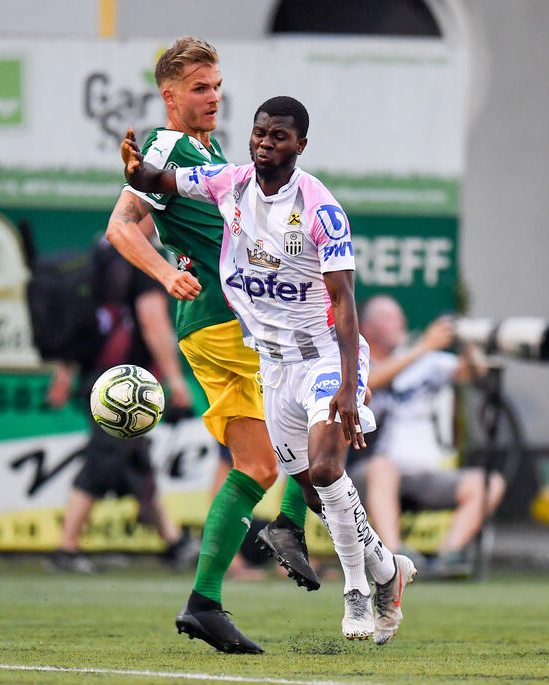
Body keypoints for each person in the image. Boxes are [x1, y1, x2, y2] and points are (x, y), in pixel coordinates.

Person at [121, 95, 418, 647]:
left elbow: (346, 300)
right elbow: (169, 181)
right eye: (259, 133)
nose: (264, 143)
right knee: (308, 487)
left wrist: (351, 387)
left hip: (325, 354)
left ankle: (357, 591)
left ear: (300, 145)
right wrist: (137, 170)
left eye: (278, 136)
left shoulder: (320, 209)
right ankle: (385, 569)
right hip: (274, 366)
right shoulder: (228, 182)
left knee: (328, 470)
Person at [106, 37, 318, 655]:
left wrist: (173, 245)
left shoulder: (208, 150)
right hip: (226, 322)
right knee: (313, 404)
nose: (214, 97)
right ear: (170, 96)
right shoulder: (164, 144)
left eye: (217, 86)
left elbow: (155, 218)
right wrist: (167, 273)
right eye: (200, 88)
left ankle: (204, 602)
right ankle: (291, 529)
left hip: (224, 320)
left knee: (257, 465)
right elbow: (121, 226)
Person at [46, 236, 199, 573]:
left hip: (95, 374)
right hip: (124, 382)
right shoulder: (142, 254)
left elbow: (81, 320)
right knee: (104, 456)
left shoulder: (100, 252)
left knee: (134, 461)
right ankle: (65, 550)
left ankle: (173, 543)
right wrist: (175, 378)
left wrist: (64, 373)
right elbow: (151, 319)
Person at [353, 295, 506, 578]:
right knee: (383, 468)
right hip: (371, 474)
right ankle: (394, 556)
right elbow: (369, 384)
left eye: (400, 316)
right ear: (368, 328)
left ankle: (447, 559)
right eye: (390, 317)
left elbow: (477, 374)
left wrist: (467, 341)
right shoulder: (358, 359)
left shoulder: (428, 361)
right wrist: (425, 346)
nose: (400, 322)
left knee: (489, 483)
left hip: (426, 477)